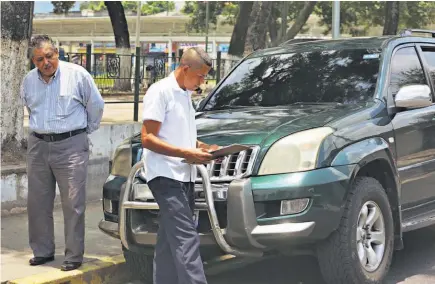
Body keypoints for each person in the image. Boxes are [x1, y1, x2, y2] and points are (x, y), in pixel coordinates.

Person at [21, 35, 105, 271]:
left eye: (49, 56)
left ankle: (73, 256)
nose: (46, 62)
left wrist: (81, 133)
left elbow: (96, 106)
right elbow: (30, 108)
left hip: (71, 146)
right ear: (33, 61)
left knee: (73, 203)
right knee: (37, 203)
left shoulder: (77, 75)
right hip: (38, 146)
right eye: (39, 59)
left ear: (57, 53)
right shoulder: (28, 81)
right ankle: (43, 251)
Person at [141, 46, 218, 284]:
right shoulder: (160, 91)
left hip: (184, 175)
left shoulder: (184, 93)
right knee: (187, 238)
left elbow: (180, 135)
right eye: (201, 76)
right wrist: (186, 152)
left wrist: (207, 149)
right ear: (185, 69)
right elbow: (147, 138)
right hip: (164, 175)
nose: (203, 82)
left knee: (168, 241)